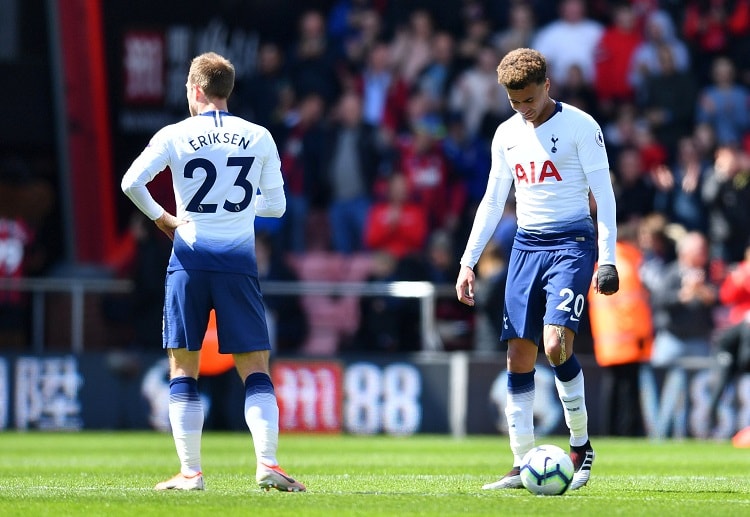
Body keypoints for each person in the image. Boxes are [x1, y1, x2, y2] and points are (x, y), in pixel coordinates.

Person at [121, 52, 305, 492]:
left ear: (196, 89)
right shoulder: (258, 136)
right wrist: (241, 211)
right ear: (228, 90)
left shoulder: (175, 134)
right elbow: (277, 207)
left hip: (189, 257)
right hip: (239, 262)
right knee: (256, 368)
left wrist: (163, 219)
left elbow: (131, 183)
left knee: (184, 368)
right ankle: (267, 463)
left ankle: (191, 473)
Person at [455, 48, 619, 491]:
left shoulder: (581, 126)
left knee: (555, 345)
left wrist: (609, 258)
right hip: (527, 245)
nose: (523, 109)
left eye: (528, 99)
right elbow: (492, 201)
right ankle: (520, 462)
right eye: (514, 102)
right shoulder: (506, 133)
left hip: (572, 242)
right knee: (517, 354)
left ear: (547, 85)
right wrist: (468, 261)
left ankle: (581, 445)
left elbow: (604, 194)